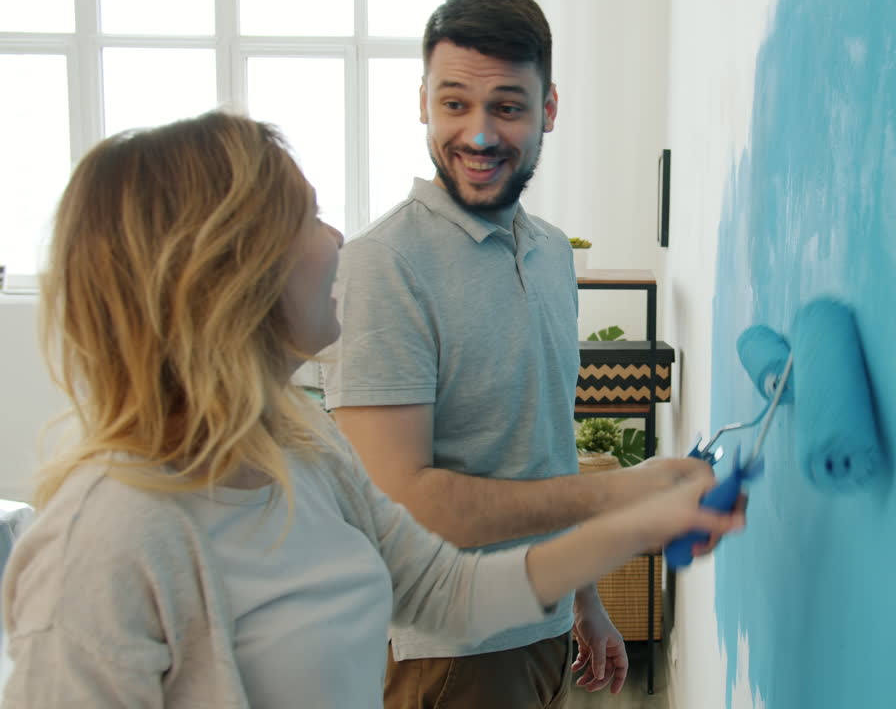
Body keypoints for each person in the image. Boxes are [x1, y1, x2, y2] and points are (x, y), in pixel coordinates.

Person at [0, 111, 743, 709]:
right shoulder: (102, 544)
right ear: (227, 269)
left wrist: (638, 526)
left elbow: (447, 592)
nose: (335, 240)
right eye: (309, 216)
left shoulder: (304, 450)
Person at [319, 0, 722, 706]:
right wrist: (628, 495)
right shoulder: (383, 264)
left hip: (538, 624)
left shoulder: (550, 255)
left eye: (506, 106)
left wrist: (583, 600)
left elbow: (545, 445)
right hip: (448, 652)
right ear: (422, 103)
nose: (477, 135)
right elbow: (407, 501)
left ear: (550, 109)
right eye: (453, 104)